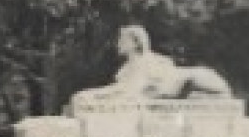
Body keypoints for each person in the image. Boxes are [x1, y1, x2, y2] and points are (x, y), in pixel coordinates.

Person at [74, 25, 233, 103]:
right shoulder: (128, 67)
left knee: (193, 78)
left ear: (136, 43)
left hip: (206, 84)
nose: (118, 44)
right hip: (187, 91)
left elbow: (128, 92)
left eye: (122, 40)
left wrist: (92, 94)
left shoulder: (143, 63)